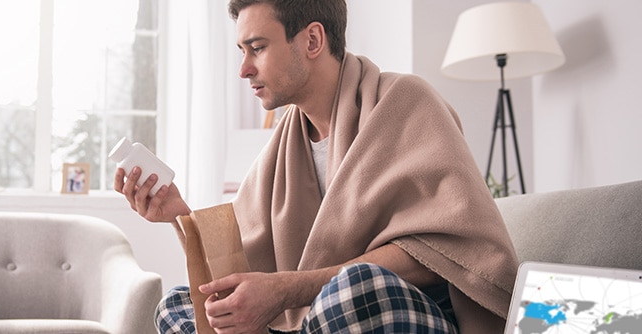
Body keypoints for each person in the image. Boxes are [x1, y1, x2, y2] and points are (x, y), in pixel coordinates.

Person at [114, 0, 519, 333]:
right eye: (242, 52)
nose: (244, 69)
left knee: (352, 290)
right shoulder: (283, 144)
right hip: (314, 318)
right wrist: (178, 213)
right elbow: (242, 255)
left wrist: (287, 290)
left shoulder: (404, 101)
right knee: (179, 306)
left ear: (311, 39)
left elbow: (444, 249)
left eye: (257, 48)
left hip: (401, 311)